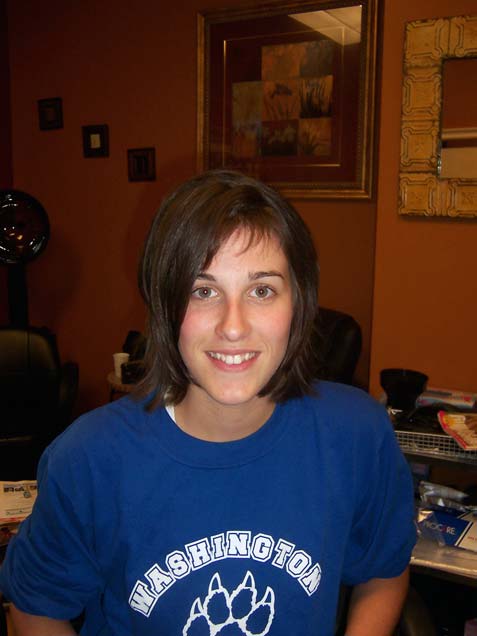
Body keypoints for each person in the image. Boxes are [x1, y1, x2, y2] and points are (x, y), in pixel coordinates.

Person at [0, 170, 416, 635]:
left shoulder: (356, 433)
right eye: (203, 291)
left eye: (262, 290)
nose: (233, 326)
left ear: (299, 302)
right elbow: (36, 607)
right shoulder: (88, 460)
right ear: (164, 305)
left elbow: (384, 569)